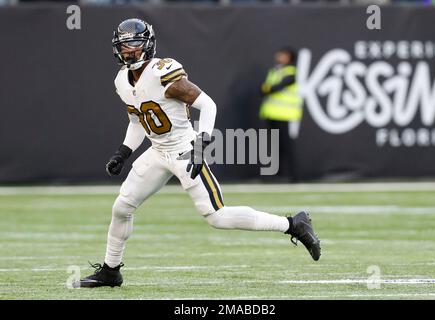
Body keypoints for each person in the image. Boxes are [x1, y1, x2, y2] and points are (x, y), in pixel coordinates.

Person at [74, 19, 320, 288]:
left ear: (147, 45)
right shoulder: (122, 80)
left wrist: (201, 147)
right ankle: (111, 270)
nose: (128, 50)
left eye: (133, 44)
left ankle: (293, 224)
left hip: (184, 150)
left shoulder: (162, 72)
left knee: (217, 216)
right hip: (157, 152)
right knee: (121, 207)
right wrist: (123, 152)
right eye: (123, 45)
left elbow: (208, 105)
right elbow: (137, 121)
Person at [259, 47, 303, 182]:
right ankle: (277, 175)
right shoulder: (275, 71)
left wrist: (268, 88)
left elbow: (273, 88)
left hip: (285, 115)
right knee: (274, 146)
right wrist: (268, 89)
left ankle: (293, 175)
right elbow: (263, 90)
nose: (279, 56)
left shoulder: (291, 72)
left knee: (286, 145)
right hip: (272, 114)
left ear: (289, 57)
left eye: (283, 55)